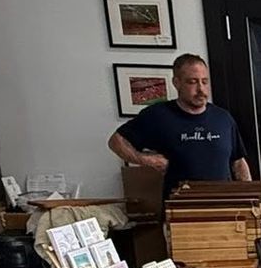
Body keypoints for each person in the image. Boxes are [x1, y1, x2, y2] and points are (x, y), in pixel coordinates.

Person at [107, 53, 252, 198]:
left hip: (224, 208)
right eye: (192, 82)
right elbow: (116, 142)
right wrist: (147, 160)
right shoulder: (158, 115)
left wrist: (249, 197)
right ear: (176, 82)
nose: (201, 89)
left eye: (205, 81)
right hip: (178, 210)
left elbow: (238, 162)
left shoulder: (223, 118)